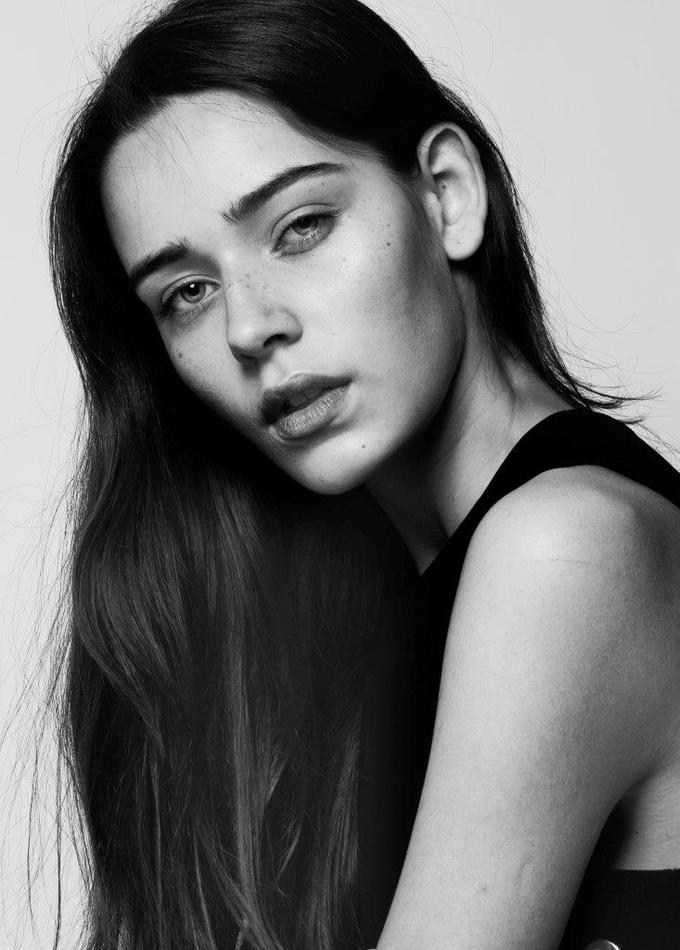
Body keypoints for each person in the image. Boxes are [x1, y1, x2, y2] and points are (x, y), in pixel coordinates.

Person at [47, 0, 680, 948]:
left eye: (300, 227)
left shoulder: (564, 548)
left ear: (447, 195)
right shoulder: (371, 597)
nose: (251, 326)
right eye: (187, 292)